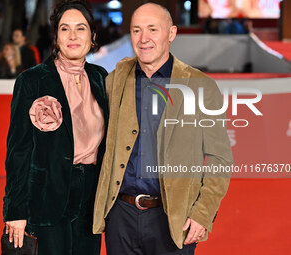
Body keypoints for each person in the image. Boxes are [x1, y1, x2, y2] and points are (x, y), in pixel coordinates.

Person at [93, 3, 233, 255]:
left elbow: (220, 158)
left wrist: (203, 213)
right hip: (120, 218)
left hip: (173, 218)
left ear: (171, 34)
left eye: (152, 29)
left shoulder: (200, 86)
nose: (143, 38)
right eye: (136, 30)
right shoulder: (115, 80)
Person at [3, 1, 108, 255]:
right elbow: (18, 152)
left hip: (91, 199)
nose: (73, 36)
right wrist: (15, 211)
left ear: (92, 37)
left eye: (80, 28)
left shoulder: (101, 77)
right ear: (56, 36)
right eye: (65, 29)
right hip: (46, 197)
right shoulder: (32, 80)